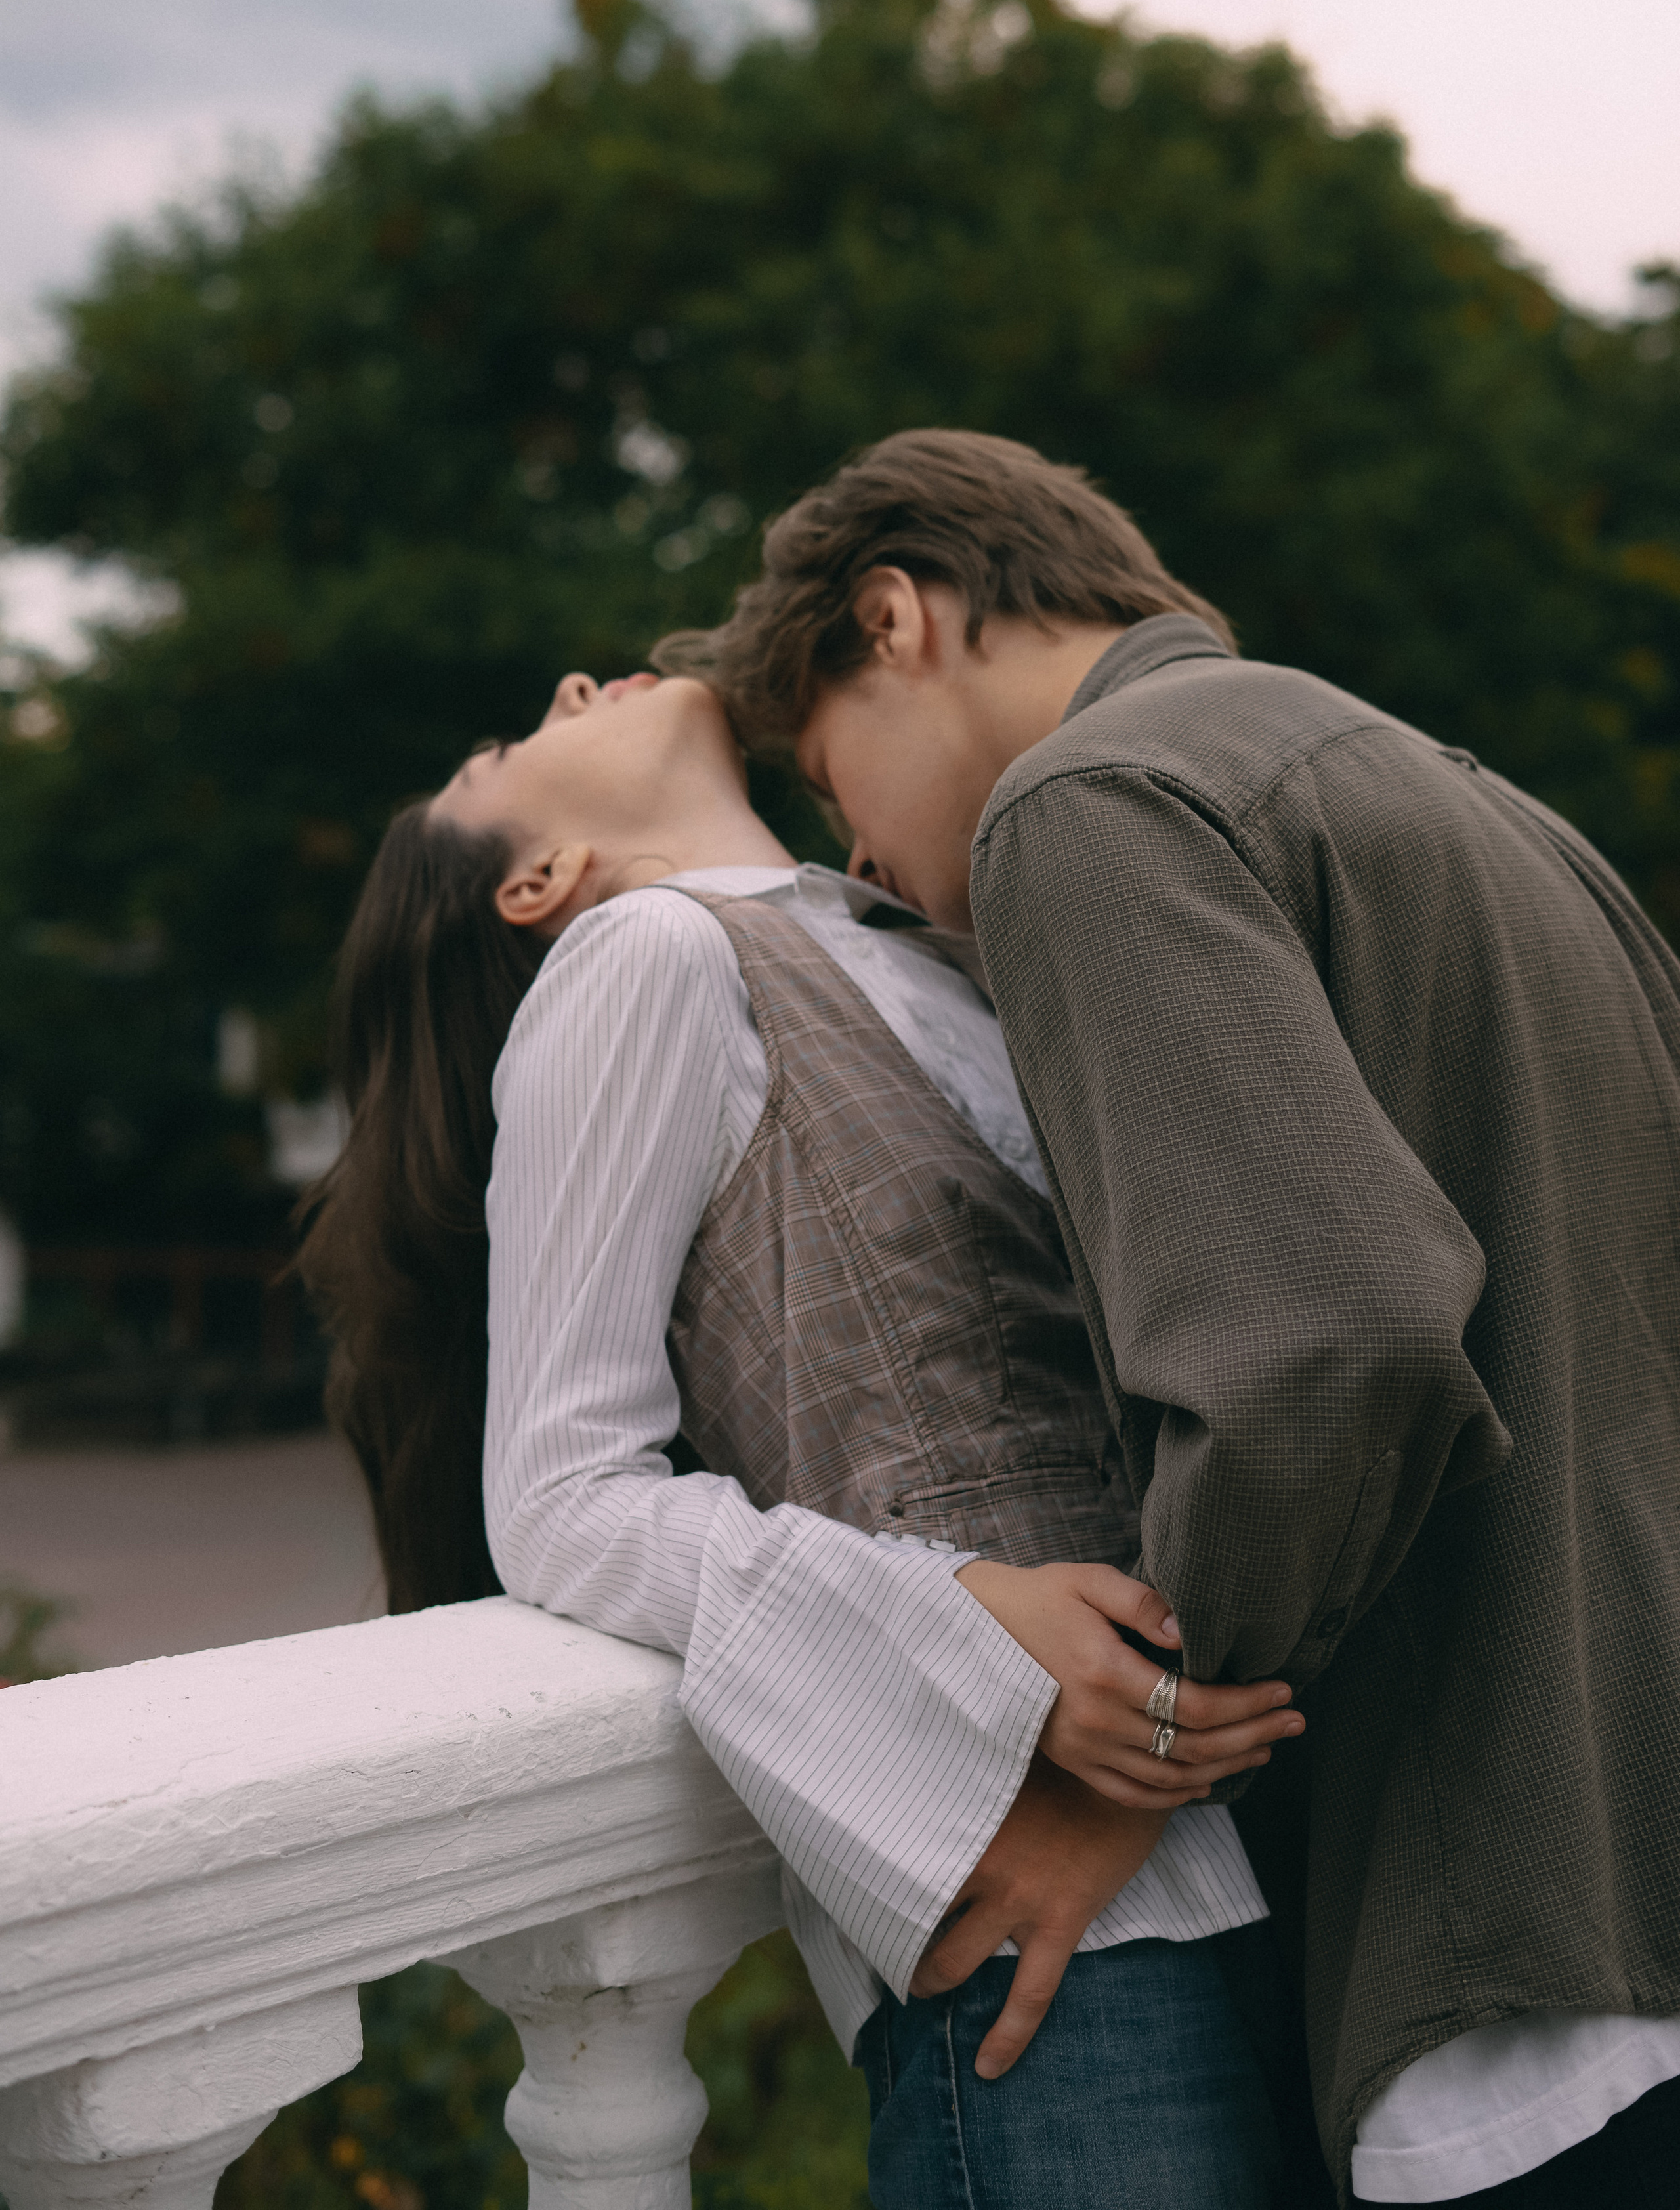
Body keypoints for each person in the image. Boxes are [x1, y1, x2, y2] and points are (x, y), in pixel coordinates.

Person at [664, 425, 1680, 2207]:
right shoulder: (1467, 797)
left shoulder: (1087, 808)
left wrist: (1122, 1776)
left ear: (895, 617)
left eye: (835, 795)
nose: (877, 875)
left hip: (1513, 1969)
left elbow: (1327, 1349)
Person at [299, 662, 1328, 2209]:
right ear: (536, 879)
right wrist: (965, 1617)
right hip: (1059, 1949)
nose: (575, 680)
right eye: (505, 745)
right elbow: (564, 1498)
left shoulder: (938, 936)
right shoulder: (640, 957)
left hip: (1288, 1858)